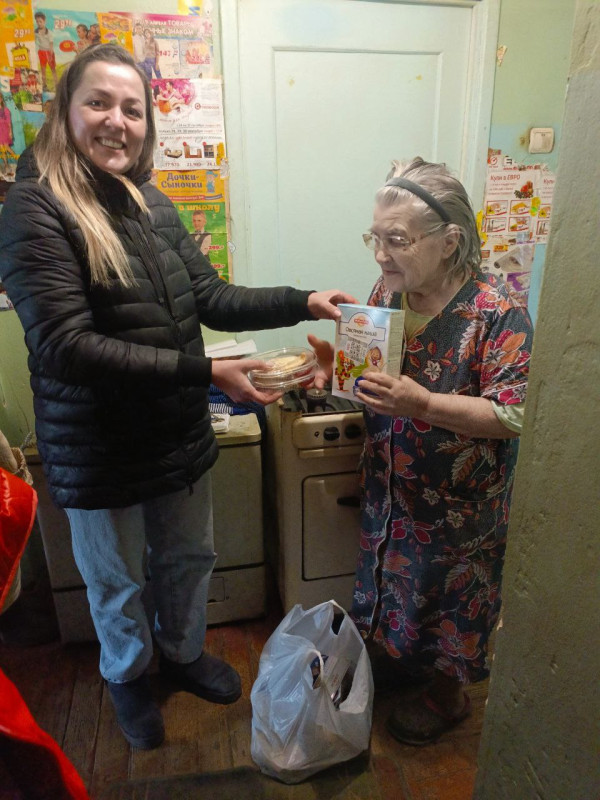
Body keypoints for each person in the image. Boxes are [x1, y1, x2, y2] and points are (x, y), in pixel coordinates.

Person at [0, 43, 356, 752]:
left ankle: (184, 654)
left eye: (133, 109)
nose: (117, 121)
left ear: (147, 125)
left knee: (189, 559)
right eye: (99, 102)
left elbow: (211, 296)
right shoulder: (33, 209)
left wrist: (303, 299)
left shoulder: (150, 202)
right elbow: (67, 346)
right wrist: (206, 374)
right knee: (116, 583)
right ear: (66, 111)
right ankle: (129, 677)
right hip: (97, 447)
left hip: (176, 434)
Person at [309, 157, 533, 746]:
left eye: (397, 240)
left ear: (449, 241)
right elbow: (368, 379)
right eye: (375, 239)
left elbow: (514, 414)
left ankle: (447, 695)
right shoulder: (387, 294)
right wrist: (334, 374)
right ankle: (405, 662)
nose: (381, 256)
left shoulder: (497, 314)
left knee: (453, 596)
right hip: (392, 487)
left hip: (460, 506)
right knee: (393, 579)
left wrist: (425, 404)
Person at [34, 12, 58, 91]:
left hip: (49, 52)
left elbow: (51, 44)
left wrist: (50, 54)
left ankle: (57, 85)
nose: (39, 23)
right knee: (43, 70)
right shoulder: (35, 32)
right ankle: (44, 86)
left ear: (44, 21)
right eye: (37, 21)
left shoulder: (49, 32)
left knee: (53, 69)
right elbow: (33, 40)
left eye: (40, 21)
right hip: (41, 52)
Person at [0, 94, 16, 176]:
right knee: (2, 149)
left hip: (5, 131)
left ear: (1, 99)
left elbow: (9, 122)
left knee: (7, 147)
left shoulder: (6, 110)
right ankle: (6, 165)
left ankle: (18, 159)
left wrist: (10, 132)